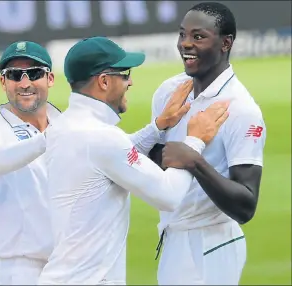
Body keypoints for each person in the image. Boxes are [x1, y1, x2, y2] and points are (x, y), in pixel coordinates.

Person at [38, 36, 229, 285]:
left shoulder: (65, 126)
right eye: (124, 74)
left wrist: (159, 126)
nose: (131, 82)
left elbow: (112, 156)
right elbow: (168, 195)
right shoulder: (100, 137)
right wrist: (195, 140)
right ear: (104, 81)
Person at [149, 2, 266, 285]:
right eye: (182, 35)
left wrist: (194, 161)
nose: (185, 45)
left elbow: (245, 206)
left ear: (226, 43)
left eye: (198, 37)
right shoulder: (169, 91)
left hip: (211, 243)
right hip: (172, 235)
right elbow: (156, 157)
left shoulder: (241, 109)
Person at [0, 41, 61, 285]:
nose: (24, 83)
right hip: (13, 270)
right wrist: (48, 139)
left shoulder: (65, 125)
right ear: (3, 82)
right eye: (13, 75)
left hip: (67, 265)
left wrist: (156, 129)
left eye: (34, 74)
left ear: (50, 78)